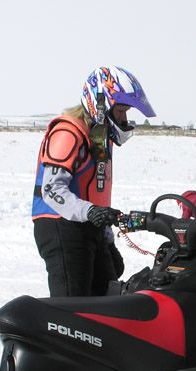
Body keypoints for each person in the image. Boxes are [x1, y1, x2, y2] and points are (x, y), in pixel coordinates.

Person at [32, 66, 156, 297]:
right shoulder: (68, 132)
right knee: (74, 307)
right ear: (101, 104)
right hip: (61, 226)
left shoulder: (100, 136)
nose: (124, 118)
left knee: (106, 295)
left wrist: (106, 236)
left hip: (88, 226)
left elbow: (94, 193)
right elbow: (52, 190)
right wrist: (91, 213)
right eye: (120, 110)